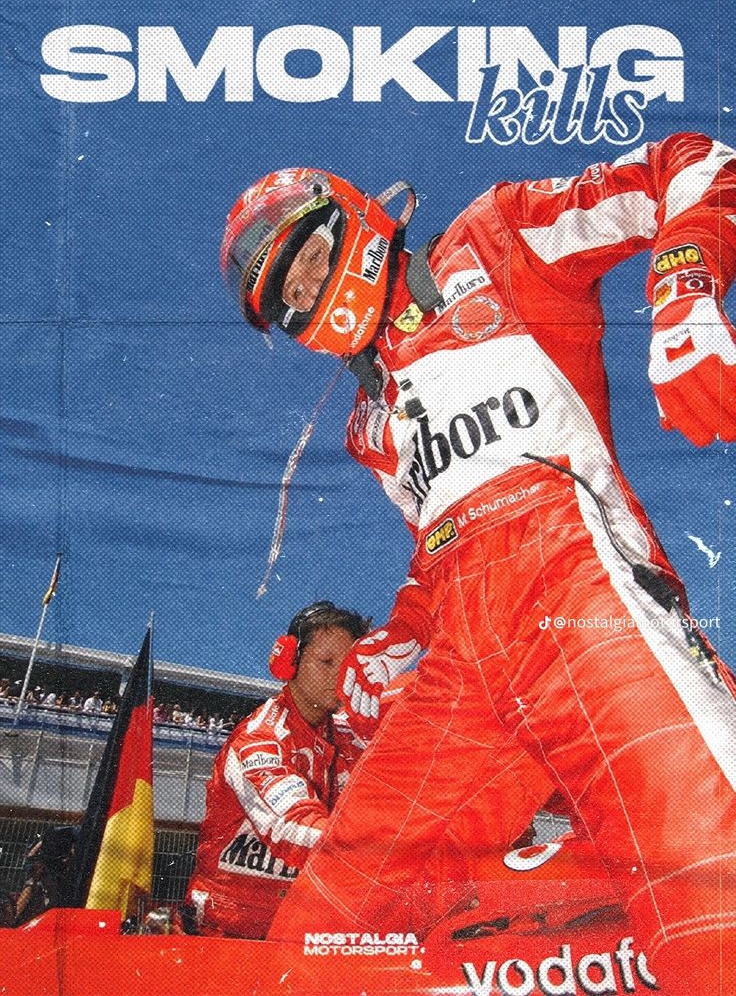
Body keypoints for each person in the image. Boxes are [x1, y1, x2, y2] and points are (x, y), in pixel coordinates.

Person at [220, 139, 736, 995]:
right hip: (466, 666)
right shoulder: (370, 426)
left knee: (714, 894)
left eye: (308, 259)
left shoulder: (495, 239)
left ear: (354, 216)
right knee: (322, 940)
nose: (309, 294)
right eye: (292, 298)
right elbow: (440, 549)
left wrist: (685, 287)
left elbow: (691, 161)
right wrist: (401, 632)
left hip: (584, 599)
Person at [184, 600, 370, 939]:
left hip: (300, 921)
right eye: (326, 662)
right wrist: (383, 852)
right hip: (229, 929)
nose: (338, 677)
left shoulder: (346, 735)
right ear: (289, 662)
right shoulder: (259, 740)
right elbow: (296, 829)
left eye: (347, 667)